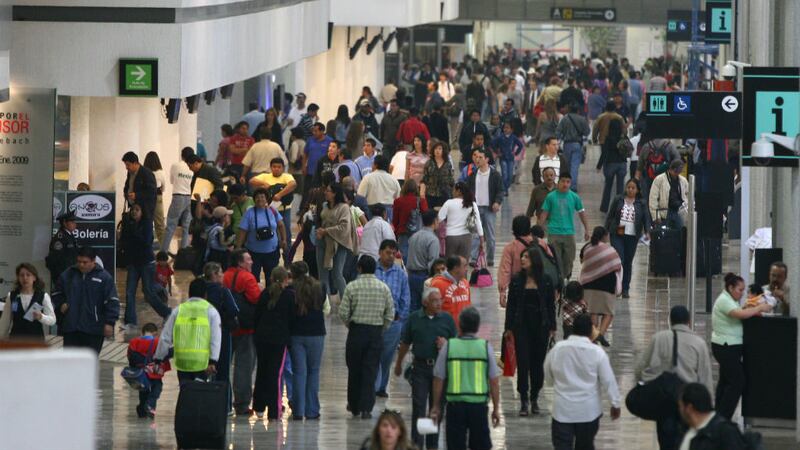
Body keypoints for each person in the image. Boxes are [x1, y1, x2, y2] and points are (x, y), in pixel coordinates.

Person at [636, 306, 714, 450]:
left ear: (670, 321)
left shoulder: (658, 338)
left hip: (664, 399)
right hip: (688, 401)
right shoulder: (698, 343)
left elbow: (641, 367)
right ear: (689, 322)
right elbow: (705, 377)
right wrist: (709, 408)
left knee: (665, 439)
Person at [544, 314, 621, 450]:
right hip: (588, 412)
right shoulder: (597, 352)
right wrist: (615, 403)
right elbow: (608, 380)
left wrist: (553, 383)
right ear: (591, 331)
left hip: (562, 411)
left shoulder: (558, 349)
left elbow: (548, 373)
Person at [430, 307, 501, 450]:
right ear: (477, 326)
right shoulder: (485, 347)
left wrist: (436, 405)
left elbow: (438, 378)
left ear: (460, 325)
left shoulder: (449, 346)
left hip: (455, 408)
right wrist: (496, 408)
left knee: (455, 445)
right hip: (478, 407)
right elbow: (494, 381)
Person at [394, 287, 456, 449]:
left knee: (436, 407)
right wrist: (399, 363)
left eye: (440, 300)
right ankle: (417, 443)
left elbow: (457, 344)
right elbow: (406, 343)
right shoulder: (414, 319)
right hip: (420, 368)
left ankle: (432, 444)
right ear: (425, 302)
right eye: (435, 300)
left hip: (440, 371)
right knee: (419, 405)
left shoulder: (447, 319)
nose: (439, 303)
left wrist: (447, 344)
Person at [338, 255, 396, 419]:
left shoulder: (352, 287)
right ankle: (366, 408)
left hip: (357, 332)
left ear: (359, 268)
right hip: (375, 333)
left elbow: (343, 312)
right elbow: (390, 313)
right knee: (370, 370)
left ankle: (354, 405)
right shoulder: (383, 288)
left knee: (354, 369)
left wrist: (351, 325)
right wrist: (381, 328)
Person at [711, 273, 772, 420]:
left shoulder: (730, 299)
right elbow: (740, 314)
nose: (743, 293)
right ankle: (723, 418)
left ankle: (718, 416)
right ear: (730, 288)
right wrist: (759, 308)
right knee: (737, 382)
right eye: (740, 290)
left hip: (729, 346)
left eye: (744, 290)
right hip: (726, 346)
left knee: (726, 381)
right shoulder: (724, 300)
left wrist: (749, 307)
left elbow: (741, 311)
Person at [505, 246, 558, 417]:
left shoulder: (546, 281)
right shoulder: (516, 281)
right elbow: (511, 306)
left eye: (526, 257)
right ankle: (523, 399)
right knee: (523, 362)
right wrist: (508, 328)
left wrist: (552, 326)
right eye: (522, 256)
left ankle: (535, 396)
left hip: (540, 326)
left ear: (534, 260)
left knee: (537, 364)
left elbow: (550, 305)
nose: (522, 259)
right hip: (521, 326)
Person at [51, 246, 119, 354]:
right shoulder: (68, 274)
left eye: (85, 262)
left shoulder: (104, 278)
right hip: (71, 327)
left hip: (94, 329)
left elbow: (112, 301)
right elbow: (56, 293)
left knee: (89, 364)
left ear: (93, 261)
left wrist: (110, 322)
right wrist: (61, 304)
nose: (81, 265)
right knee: (70, 362)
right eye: (79, 261)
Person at [154, 278, 221, 385]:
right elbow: (215, 339)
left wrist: (158, 358)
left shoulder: (178, 310)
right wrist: (213, 360)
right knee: (198, 395)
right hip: (202, 363)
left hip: (182, 362)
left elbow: (165, 337)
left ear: (189, 293)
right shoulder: (211, 311)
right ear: (205, 294)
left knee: (185, 393)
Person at [223, 249, 263, 416]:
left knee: (224, 366)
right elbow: (256, 299)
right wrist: (260, 288)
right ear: (240, 262)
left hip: (227, 327)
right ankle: (241, 404)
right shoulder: (247, 278)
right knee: (244, 367)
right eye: (248, 259)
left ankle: (223, 401)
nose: (251, 262)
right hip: (246, 328)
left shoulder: (224, 276)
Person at [120, 203, 172, 331]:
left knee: (148, 292)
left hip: (146, 263)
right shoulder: (128, 224)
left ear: (142, 212)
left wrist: (133, 232)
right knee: (129, 292)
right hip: (133, 263)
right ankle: (130, 321)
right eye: (132, 210)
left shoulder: (147, 224)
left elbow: (146, 241)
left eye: (137, 209)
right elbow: (124, 240)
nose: (134, 212)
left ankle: (167, 313)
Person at [251, 266, 292, 420]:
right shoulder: (288, 296)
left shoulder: (264, 294)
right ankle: (274, 411)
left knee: (262, 371)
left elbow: (257, 316)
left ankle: (259, 407)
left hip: (261, 338)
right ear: (286, 279)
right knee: (275, 374)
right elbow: (291, 318)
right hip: (278, 340)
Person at [288, 262, 326, 420]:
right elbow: (323, 304)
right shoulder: (319, 287)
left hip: (296, 332)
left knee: (298, 372)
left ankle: (298, 410)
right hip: (316, 331)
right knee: (314, 371)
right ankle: (312, 410)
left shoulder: (291, 290)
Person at [374, 240, 411, 398]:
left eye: (393, 254)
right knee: (374, 354)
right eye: (387, 252)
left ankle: (382, 387)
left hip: (393, 323)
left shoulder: (400, 274)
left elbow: (405, 298)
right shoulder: (371, 270)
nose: (390, 256)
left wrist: (400, 318)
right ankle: (374, 386)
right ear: (380, 252)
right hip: (373, 321)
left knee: (387, 356)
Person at [538, 173, 591, 281]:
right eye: (563, 181)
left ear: (570, 183)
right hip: (554, 233)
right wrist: (538, 230)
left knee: (569, 259)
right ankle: (559, 281)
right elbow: (544, 214)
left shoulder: (574, 197)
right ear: (558, 182)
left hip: (569, 233)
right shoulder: (551, 197)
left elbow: (582, 213)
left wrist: (587, 229)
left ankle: (566, 274)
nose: (565, 184)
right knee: (555, 259)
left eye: (568, 182)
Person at [202, 262, 239, 412]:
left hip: (203, 333)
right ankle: (226, 405)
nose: (223, 275)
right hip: (222, 333)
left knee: (204, 369)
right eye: (221, 273)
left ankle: (206, 403)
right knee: (223, 370)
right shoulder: (223, 291)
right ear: (215, 275)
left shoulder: (202, 291)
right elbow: (234, 310)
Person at [605, 178, 650, 298]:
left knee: (628, 261)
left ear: (637, 190)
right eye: (628, 187)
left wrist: (647, 231)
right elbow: (610, 216)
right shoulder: (618, 199)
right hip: (617, 234)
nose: (630, 190)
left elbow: (646, 218)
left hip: (632, 235)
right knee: (620, 259)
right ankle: (615, 285)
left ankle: (625, 288)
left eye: (633, 188)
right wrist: (606, 230)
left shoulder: (642, 203)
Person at [316, 183, 359, 304]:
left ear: (335, 193)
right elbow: (320, 220)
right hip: (323, 242)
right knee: (322, 274)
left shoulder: (344, 208)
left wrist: (326, 231)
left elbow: (344, 227)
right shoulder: (324, 205)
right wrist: (320, 230)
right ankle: (325, 303)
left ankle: (346, 302)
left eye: (328, 191)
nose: (325, 192)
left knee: (337, 273)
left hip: (339, 244)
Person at [579, 226, 622, 347]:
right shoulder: (609, 249)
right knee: (608, 312)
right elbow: (617, 264)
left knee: (593, 311)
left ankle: (593, 334)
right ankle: (600, 335)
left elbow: (583, 262)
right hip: (607, 284)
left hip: (589, 283)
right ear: (604, 236)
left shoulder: (586, 248)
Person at [236, 187, 287, 283]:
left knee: (272, 279)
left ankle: (270, 296)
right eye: (257, 197)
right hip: (253, 253)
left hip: (272, 252)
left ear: (267, 199)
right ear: (254, 199)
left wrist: (284, 240)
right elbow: (242, 231)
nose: (260, 199)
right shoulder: (249, 213)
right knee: (253, 279)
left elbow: (281, 225)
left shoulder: (273, 211)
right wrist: (238, 248)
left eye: (262, 197)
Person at [677, 383, 747, 450]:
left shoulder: (725, 432)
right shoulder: (688, 431)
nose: (679, 410)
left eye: (681, 406)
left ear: (689, 408)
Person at [0, 263, 56, 341]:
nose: (25, 278)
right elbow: (5, 322)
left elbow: (52, 320)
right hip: (16, 340)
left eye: (28, 275)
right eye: (21, 275)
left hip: (36, 341)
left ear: (34, 278)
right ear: (18, 278)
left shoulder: (43, 296)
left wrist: (41, 317)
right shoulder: (12, 296)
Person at [126, 322, 170, 419]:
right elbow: (165, 355)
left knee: (143, 391)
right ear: (155, 333)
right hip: (154, 372)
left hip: (141, 372)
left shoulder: (134, 342)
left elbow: (130, 357)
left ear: (143, 332)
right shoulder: (158, 342)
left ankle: (142, 410)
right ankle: (150, 405)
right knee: (156, 388)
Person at [467, 149, 503, 266]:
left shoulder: (495, 175)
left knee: (490, 235)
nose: (477, 159)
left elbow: (500, 191)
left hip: (489, 209)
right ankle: (473, 258)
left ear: (487, 159)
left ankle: (490, 258)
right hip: (476, 208)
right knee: (475, 234)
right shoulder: (473, 175)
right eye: (476, 157)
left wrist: (497, 202)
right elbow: (468, 190)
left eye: (481, 157)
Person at [249, 158, 297, 243]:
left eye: (279, 167)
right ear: (271, 167)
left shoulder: (287, 176)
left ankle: (287, 253)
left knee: (286, 231)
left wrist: (280, 194)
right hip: (269, 210)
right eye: (274, 166)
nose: (276, 169)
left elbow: (293, 184)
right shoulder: (265, 176)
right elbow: (251, 181)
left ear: (283, 168)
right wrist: (263, 184)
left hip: (284, 209)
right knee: (271, 230)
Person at [161, 147, 196, 252]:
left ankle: (163, 252)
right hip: (189, 197)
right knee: (186, 227)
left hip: (178, 196)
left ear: (182, 155)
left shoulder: (176, 165)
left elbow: (172, 181)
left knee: (171, 225)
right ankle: (183, 253)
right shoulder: (193, 168)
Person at [406, 210, 440, 313]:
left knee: (413, 306)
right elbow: (433, 262)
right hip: (425, 276)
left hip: (411, 275)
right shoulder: (433, 239)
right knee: (425, 307)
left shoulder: (414, 236)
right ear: (434, 221)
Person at [498, 215, 534, 308]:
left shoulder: (510, 248)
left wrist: (503, 293)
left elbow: (505, 271)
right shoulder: (541, 244)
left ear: (513, 229)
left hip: (518, 289)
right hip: (539, 286)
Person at [391, 179, 429, 264]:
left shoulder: (398, 201)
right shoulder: (421, 201)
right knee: (418, 255)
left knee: (405, 256)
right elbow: (426, 217)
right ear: (416, 188)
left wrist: (396, 232)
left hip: (403, 232)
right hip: (418, 233)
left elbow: (395, 220)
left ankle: (407, 272)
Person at [597, 115, 628, 213]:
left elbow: (604, 152)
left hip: (610, 163)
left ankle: (604, 207)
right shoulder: (624, 137)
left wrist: (599, 165)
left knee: (608, 186)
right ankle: (620, 207)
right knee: (620, 187)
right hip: (622, 163)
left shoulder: (608, 138)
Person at [430, 255, 471, 329]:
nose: (467, 269)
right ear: (456, 268)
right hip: (445, 330)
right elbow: (431, 310)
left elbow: (469, 305)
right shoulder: (437, 284)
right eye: (464, 266)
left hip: (463, 331)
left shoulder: (465, 283)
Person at [358, 155, 401, 220]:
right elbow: (398, 198)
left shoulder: (367, 178)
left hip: (371, 212)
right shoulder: (393, 179)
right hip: (389, 213)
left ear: (375, 165)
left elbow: (360, 197)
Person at [650, 159, 688, 229]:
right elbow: (653, 199)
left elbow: (687, 196)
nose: (677, 173)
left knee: (679, 233)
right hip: (665, 212)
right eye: (676, 171)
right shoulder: (659, 179)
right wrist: (655, 216)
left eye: (679, 171)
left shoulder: (683, 180)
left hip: (679, 210)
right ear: (670, 169)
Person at [46, 210, 79, 286]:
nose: (75, 224)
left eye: (74, 221)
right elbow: (56, 259)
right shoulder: (60, 238)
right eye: (72, 222)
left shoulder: (70, 236)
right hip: (64, 276)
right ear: (64, 223)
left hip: (71, 274)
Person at [490, 121, 524, 195]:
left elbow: (520, 145)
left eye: (508, 128)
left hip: (511, 159)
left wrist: (516, 153)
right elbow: (492, 143)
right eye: (505, 128)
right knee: (504, 174)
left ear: (512, 129)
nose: (506, 129)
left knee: (510, 175)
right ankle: (505, 190)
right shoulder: (500, 137)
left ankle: (506, 187)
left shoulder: (513, 137)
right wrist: (497, 152)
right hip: (503, 159)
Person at [122, 151, 158, 221]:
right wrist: (126, 193)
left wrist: (137, 195)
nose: (126, 167)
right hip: (133, 210)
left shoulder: (147, 173)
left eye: (128, 165)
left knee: (146, 231)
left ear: (135, 163)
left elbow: (152, 192)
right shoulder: (130, 173)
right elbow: (127, 185)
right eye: (125, 165)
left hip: (145, 212)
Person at [421, 141, 454, 209]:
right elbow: (424, 179)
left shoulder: (448, 164)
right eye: (435, 149)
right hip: (430, 194)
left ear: (443, 150)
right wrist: (422, 192)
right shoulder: (429, 163)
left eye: (439, 149)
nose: (437, 151)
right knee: (431, 215)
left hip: (444, 194)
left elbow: (451, 180)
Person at [143, 151, 167, 245]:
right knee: (160, 225)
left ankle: (146, 247)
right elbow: (164, 188)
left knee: (146, 223)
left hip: (146, 198)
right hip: (158, 197)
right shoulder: (161, 172)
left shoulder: (144, 172)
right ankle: (164, 251)